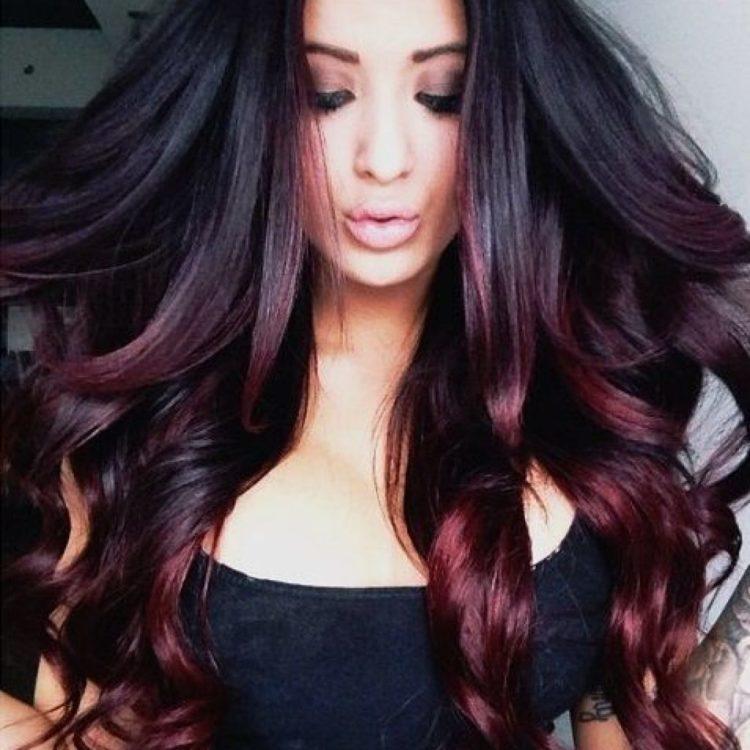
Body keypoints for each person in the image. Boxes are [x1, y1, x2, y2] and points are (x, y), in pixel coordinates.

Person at [1, 0, 748, 748]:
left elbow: (624, 719)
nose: (384, 159)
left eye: (443, 97)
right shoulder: (134, 436)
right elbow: (89, 734)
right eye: (326, 96)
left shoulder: (583, 416)